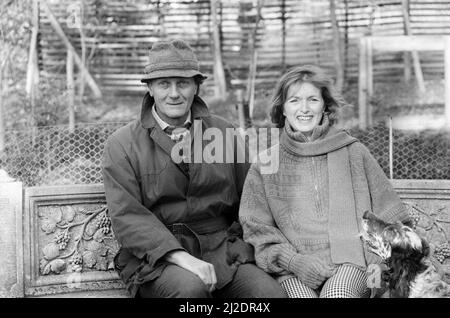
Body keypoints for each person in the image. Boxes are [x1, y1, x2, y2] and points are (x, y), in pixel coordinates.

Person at [102, 39, 286, 298]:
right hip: (157, 258)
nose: (174, 93)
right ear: (151, 89)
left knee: (269, 296)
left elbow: (249, 200)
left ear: (196, 87)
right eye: (164, 83)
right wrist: (182, 259)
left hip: (222, 250)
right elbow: (127, 217)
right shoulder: (122, 144)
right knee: (191, 292)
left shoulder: (224, 132)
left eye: (183, 83)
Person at [238, 64, 411, 298]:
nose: (304, 109)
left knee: (337, 294)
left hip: (352, 264)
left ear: (324, 106)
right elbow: (257, 230)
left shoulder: (354, 152)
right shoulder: (265, 163)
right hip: (293, 269)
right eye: (294, 101)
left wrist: (378, 273)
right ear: (283, 109)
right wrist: (295, 262)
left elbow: (391, 217)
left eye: (312, 100)